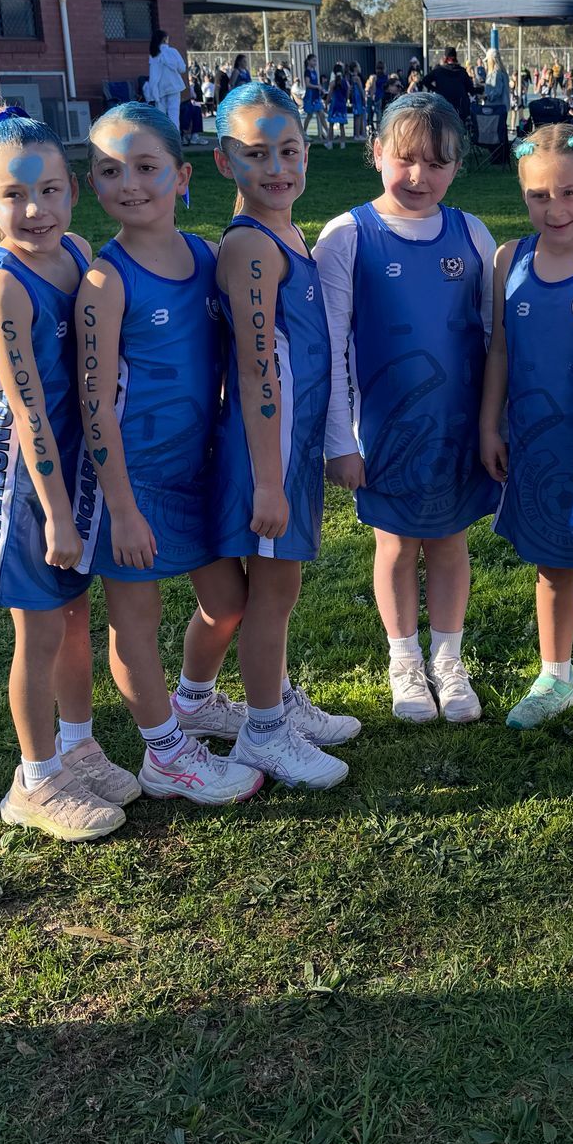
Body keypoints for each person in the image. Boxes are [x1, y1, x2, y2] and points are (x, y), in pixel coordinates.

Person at [73, 104, 265, 807]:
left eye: (147, 167)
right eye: (110, 171)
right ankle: (164, 753)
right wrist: (120, 508)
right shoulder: (106, 280)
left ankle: (195, 699)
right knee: (136, 623)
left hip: (199, 470)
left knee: (230, 602)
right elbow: (95, 404)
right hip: (136, 482)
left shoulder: (207, 255)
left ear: (182, 176)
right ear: (92, 183)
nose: (131, 184)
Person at [0, 111, 129, 842]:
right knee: (39, 629)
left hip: (71, 464)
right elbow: (26, 415)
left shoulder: (76, 252)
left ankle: (77, 743)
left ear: (72, 192)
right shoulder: (2, 287)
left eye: (51, 189)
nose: (36, 210)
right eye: (15, 195)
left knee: (75, 613)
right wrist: (56, 511)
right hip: (24, 481)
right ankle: (34, 779)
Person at [317, 92, 499, 723]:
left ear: (456, 167)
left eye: (438, 163)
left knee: (449, 540)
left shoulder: (472, 233)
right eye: (406, 159)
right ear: (376, 155)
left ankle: (447, 661)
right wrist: (340, 440)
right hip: (385, 427)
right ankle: (404, 662)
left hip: (456, 423)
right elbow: (332, 344)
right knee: (395, 543)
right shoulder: (346, 236)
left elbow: (490, 333)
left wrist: (493, 421)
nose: (420, 177)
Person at [206, 82, 361, 788]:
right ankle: (264, 732)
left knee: (278, 588)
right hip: (263, 449)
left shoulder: (285, 232)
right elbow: (255, 365)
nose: (277, 167)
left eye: (289, 150)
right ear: (222, 161)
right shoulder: (251, 248)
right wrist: (268, 479)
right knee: (273, 589)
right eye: (256, 153)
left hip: (288, 446)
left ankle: (253, 702)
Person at [481, 124, 573, 730]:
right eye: (538, 195)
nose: (553, 208)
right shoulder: (510, 259)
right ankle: (555, 676)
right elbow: (501, 350)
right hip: (535, 439)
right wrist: (490, 424)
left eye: (568, 193)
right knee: (550, 564)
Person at [144, 30, 188, 140]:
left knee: (161, 116)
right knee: (174, 114)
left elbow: (153, 74)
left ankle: (162, 140)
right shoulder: (172, 52)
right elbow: (182, 68)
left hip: (159, 89)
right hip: (173, 86)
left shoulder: (154, 54)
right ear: (164, 39)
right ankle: (175, 139)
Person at [426, 46, 476, 123]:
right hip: (460, 107)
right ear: (455, 57)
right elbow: (470, 88)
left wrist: (435, 89)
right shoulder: (462, 71)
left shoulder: (439, 71)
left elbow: (425, 80)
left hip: (443, 106)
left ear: (445, 57)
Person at [299, 53, 328, 145]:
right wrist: (317, 87)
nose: (315, 62)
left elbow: (316, 83)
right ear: (309, 61)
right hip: (310, 96)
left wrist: (321, 88)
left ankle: (328, 133)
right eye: (313, 60)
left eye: (316, 60)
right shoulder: (307, 72)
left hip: (316, 96)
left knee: (321, 114)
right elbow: (307, 84)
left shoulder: (314, 71)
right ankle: (303, 133)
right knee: (310, 115)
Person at [482, 48, 511, 127]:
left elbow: (497, 91)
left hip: (494, 108)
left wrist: (486, 96)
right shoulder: (503, 72)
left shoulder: (495, 73)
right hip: (502, 107)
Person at [327, 62, 351, 151]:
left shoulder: (333, 82)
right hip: (342, 104)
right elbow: (348, 93)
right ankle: (342, 144)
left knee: (331, 125)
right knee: (342, 126)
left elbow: (329, 94)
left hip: (334, 105)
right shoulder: (346, 82)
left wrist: (326, 103)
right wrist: (346, 99)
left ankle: (330, 143)